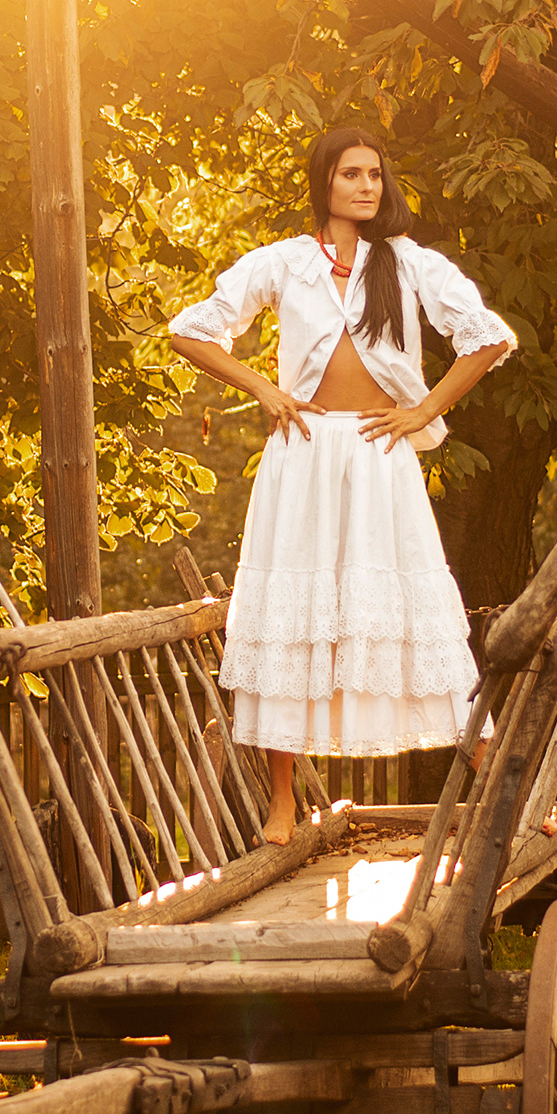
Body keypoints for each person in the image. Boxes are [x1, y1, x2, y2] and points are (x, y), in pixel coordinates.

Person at [164, 126, 517, 844]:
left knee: (416, 609)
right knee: (291, 620)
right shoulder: (285, 263)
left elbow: (488, 337)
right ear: (323, 181)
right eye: (351, 173)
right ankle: (283, 803)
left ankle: (501, 779)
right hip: (302, 458)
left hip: (380, 453)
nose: (366, 185)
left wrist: (423, 410)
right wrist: (263, 386)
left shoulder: (407, 264)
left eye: (376, 175)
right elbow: (190, 330)